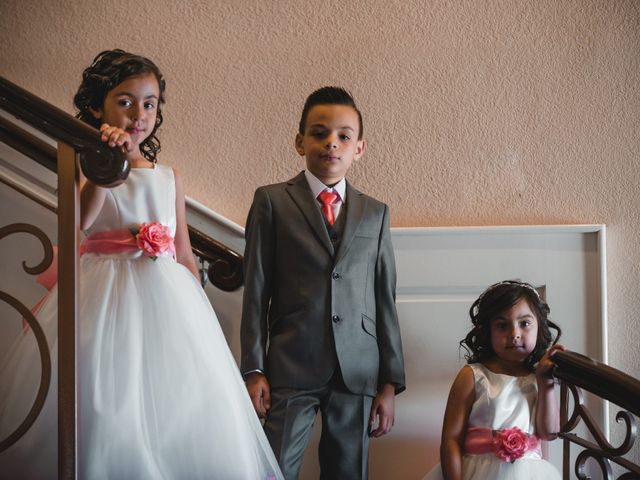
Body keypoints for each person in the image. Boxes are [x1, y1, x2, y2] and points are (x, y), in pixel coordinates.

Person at [0, 49, 283, 480]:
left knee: (177, 401)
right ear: (98, 106)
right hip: (103, 293)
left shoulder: (169, 176)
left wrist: (197, 312)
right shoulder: (86, 165)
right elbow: (80, 222)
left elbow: (184, 251)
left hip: (165, 297)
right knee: (105, 399)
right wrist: (104, 170)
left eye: (149, 104)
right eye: (125, 101)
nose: (138, 113)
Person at [241, 86, 406, 479]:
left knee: (348, 471)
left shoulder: (375, 214)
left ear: (358, 148)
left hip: (358, 370)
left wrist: (389, 382)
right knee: (273, 467)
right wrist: (253, 369)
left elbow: (385, 299)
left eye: (343, 136)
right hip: (290, 364)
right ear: (300, 141)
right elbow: (255, 291)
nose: (331, 143)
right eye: (319, 133)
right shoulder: (271, 201)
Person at [423, 280, 564, 480]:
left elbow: (549, 433)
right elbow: (451, 440)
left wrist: (545, 383)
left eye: (524, 323)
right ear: (488, 331)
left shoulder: (538, 378)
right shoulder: (473, 376)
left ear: (539, 327)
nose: (514, 334)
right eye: (502, 325)